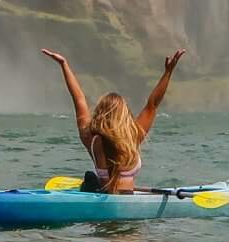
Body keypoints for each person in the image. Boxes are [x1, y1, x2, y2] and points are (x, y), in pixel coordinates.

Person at [39, 46, 186, 193]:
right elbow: (152, 105)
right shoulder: (133, 135)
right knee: (91, 179)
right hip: (128, 199)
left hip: (105, 202)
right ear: (124, 114)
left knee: (90, 178)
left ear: (101, 113)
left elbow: (79, 100)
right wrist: (168, 73)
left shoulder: (91, 137)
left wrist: (64, 65)